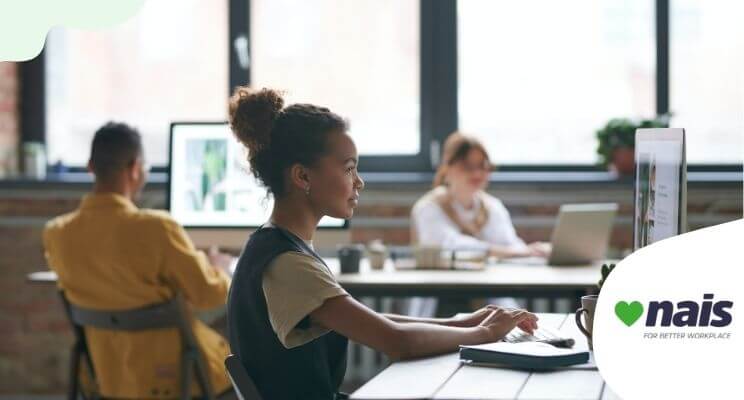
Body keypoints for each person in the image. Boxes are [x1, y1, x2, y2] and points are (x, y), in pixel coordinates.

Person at [226, 87, 539, 400]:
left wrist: (461, 323)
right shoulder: (288, 263)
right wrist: (485, 333)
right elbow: (395, 340)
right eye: (349, 168)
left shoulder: (281, 248)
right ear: (302, 177)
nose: (359, 181)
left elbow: (371, 322)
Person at [43, 122, 234, 399]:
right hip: (180, 377)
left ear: (90, 167)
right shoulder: (157, 228)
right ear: (135, 168)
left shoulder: (57, 233)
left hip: (107, 379)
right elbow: (208, 296)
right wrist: (219, 269)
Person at [412, 132, 551, 258]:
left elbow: (510, 244)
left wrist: (535, 251)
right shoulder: (428, 207)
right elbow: (446, 247)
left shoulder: (492, 206)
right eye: (467, 166)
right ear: (447, 168)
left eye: (482, 166)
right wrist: (506, 252)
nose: (477, 174)